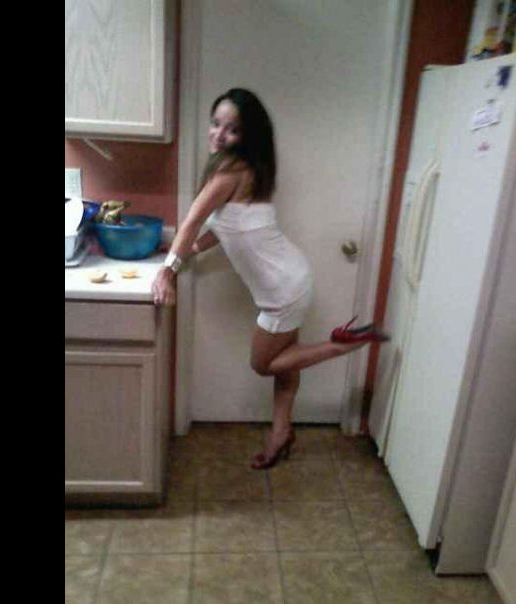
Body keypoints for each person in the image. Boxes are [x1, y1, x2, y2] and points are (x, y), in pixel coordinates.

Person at [151, 88, 388, 469]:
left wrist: (168, 272)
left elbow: (192, 220)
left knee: (263, 364)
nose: (218, 134)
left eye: (231, 129)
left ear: (247, 136)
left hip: (283, 290)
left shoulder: (230, 174)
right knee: (286, 366)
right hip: (291, 277)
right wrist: (190, 250)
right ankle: (281, 434)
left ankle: (343, 345)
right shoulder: (249, 171)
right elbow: (223, 228)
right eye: (216, 123)